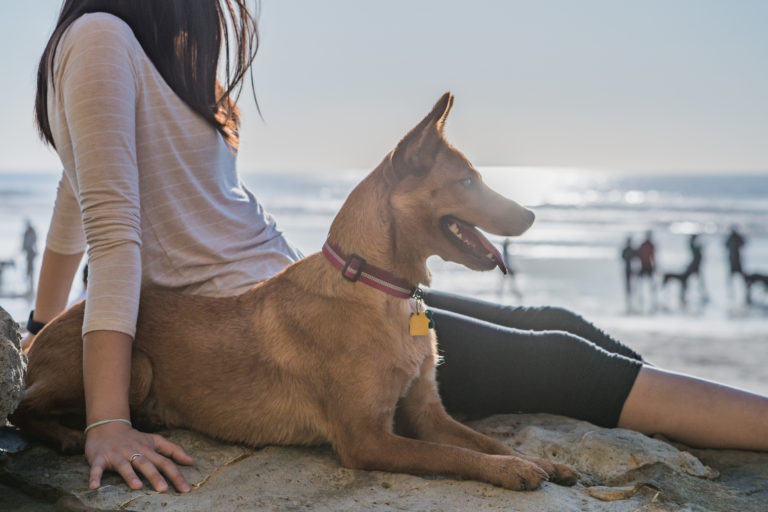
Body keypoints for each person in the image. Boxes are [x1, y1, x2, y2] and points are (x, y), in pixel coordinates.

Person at [21, 0, 768, 495]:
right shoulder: (101, 38)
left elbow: (74, 193)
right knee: (567, 363)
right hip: (258, 326)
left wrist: (40, 325)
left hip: (322, 290)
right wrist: (107, 422)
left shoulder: (139, 46)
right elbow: (110, 228)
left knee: (557, 322)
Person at [635, 230, 657, 311]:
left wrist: (654, 265)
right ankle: (642, 298)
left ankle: (651, 298)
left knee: (649, 283)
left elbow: (652, 256)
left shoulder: (648, 245)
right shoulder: (647, 245)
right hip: (645, 265)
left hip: (646, 266)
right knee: (642, 283)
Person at [685, 234, 708, 304]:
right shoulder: (694, 248)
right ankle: (686, 295)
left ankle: (702, 295)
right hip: (694, 266)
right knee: (692, 281)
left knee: (699, 282)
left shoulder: (695, 247)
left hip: (695, 266)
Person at [725, 225, 746, 295]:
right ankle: (731, 291)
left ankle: (733, 291)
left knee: (737, 277)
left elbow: (725, 245)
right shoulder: (734, 237)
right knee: (737, 277)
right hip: (735, 260)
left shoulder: (732, 238)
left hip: (735, 260)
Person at [21, 219, 38, 292]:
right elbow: (25, 243)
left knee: (30, 268)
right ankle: (29, 285)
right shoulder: (28, 232)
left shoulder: (30, 232)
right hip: (30, 253)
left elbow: (32, 243)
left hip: (31, 253)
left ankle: (30, 286)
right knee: (29, 268)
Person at [620, 236, 636, 312]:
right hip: (628, 268)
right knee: (628, 286)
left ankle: (631, 303)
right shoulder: (628, 250)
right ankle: (628, 303)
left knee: (632, 286)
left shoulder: (629, 250)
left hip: (631, 268)